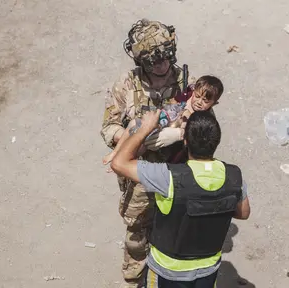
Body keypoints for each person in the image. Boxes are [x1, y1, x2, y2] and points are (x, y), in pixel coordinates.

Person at [100, 18, 196, 287]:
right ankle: (134, 280)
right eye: (154, 60)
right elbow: (108, 127)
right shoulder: (126, 85)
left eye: (166, 57)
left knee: (176, 228)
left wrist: (183, 132)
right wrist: (135, 137)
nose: (163, 65)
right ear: (141, 60)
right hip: (138, 173)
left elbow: (205, 132)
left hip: (177, 172)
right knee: (136, 233)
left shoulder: (188, 84)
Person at [111, 110, 251, 287]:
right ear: (216, 142)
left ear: (185, 141)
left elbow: (119, 163)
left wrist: (145, 128)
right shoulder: (234, 176)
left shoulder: (168, 177)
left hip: (167, 271)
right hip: (207, 269)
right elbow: (244, 213)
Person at [102, 76, 224, 168]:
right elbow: (173, 101)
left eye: (205, 101)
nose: (199, 102)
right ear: (194, 91)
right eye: (197, 96)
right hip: (162, 121)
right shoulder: (188, 94)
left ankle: (124, 161)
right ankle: (116, 153)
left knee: (144, 143)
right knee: (133, 124)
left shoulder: (203, 117)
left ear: (214, 103)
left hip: (171, 153)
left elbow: (198, 137)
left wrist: (179, 132)